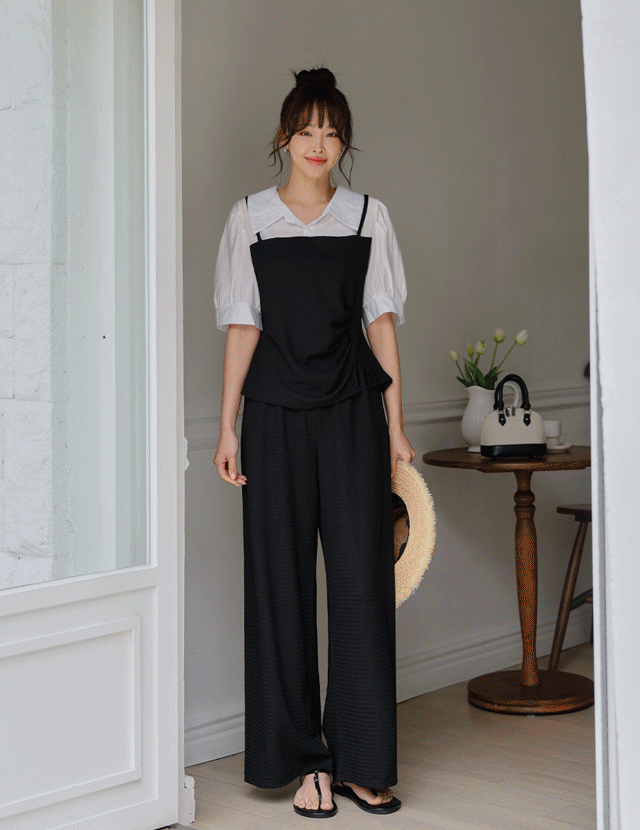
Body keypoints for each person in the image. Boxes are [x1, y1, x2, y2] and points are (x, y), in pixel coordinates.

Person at [213, 66, 415, 819]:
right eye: (307, 131)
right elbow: (244, 325)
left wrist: (396, 425)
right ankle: (306, 764)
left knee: (363, 586)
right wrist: (227, 424)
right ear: (285, 137)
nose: (319, 144)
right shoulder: (251, 218)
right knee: (281, 584)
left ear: (344, 142)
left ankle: (362, 761)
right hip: (272, 417)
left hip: (353, 413)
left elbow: (381, 325)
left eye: (332, 132)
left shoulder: (367, 217)